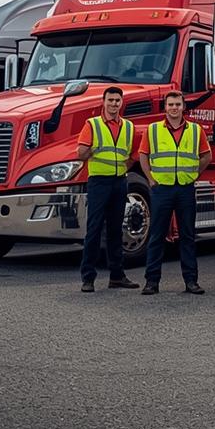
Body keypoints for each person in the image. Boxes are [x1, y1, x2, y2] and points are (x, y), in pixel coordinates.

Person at [138, 91, 210, 295]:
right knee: (156, 236)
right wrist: (150, 179)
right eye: (170, 104)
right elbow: (143, 155)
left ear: (183, 107)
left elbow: (206, 155)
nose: (174, 108)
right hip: (162, 189)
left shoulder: (195, 130)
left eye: (177, 104)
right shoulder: (153, 130)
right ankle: (151, 282)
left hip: (185, 188)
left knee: (187, 236)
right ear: (165, 107)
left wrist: (194, 174)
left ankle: (191, 282)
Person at [75, 87, 142, 292]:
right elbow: (80, 153)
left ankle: (117, 276)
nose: (114, 104)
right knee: (94, 229)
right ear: (103, 102)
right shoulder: (92, 125)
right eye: (110, 100)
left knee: (116, 229)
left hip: (119, 181)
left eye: (117, 100)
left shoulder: (128, 127)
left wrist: (122, 168)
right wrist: (91, 150)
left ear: (122, 103)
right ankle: (88, 278)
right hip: (98, 182)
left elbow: (133, 155)